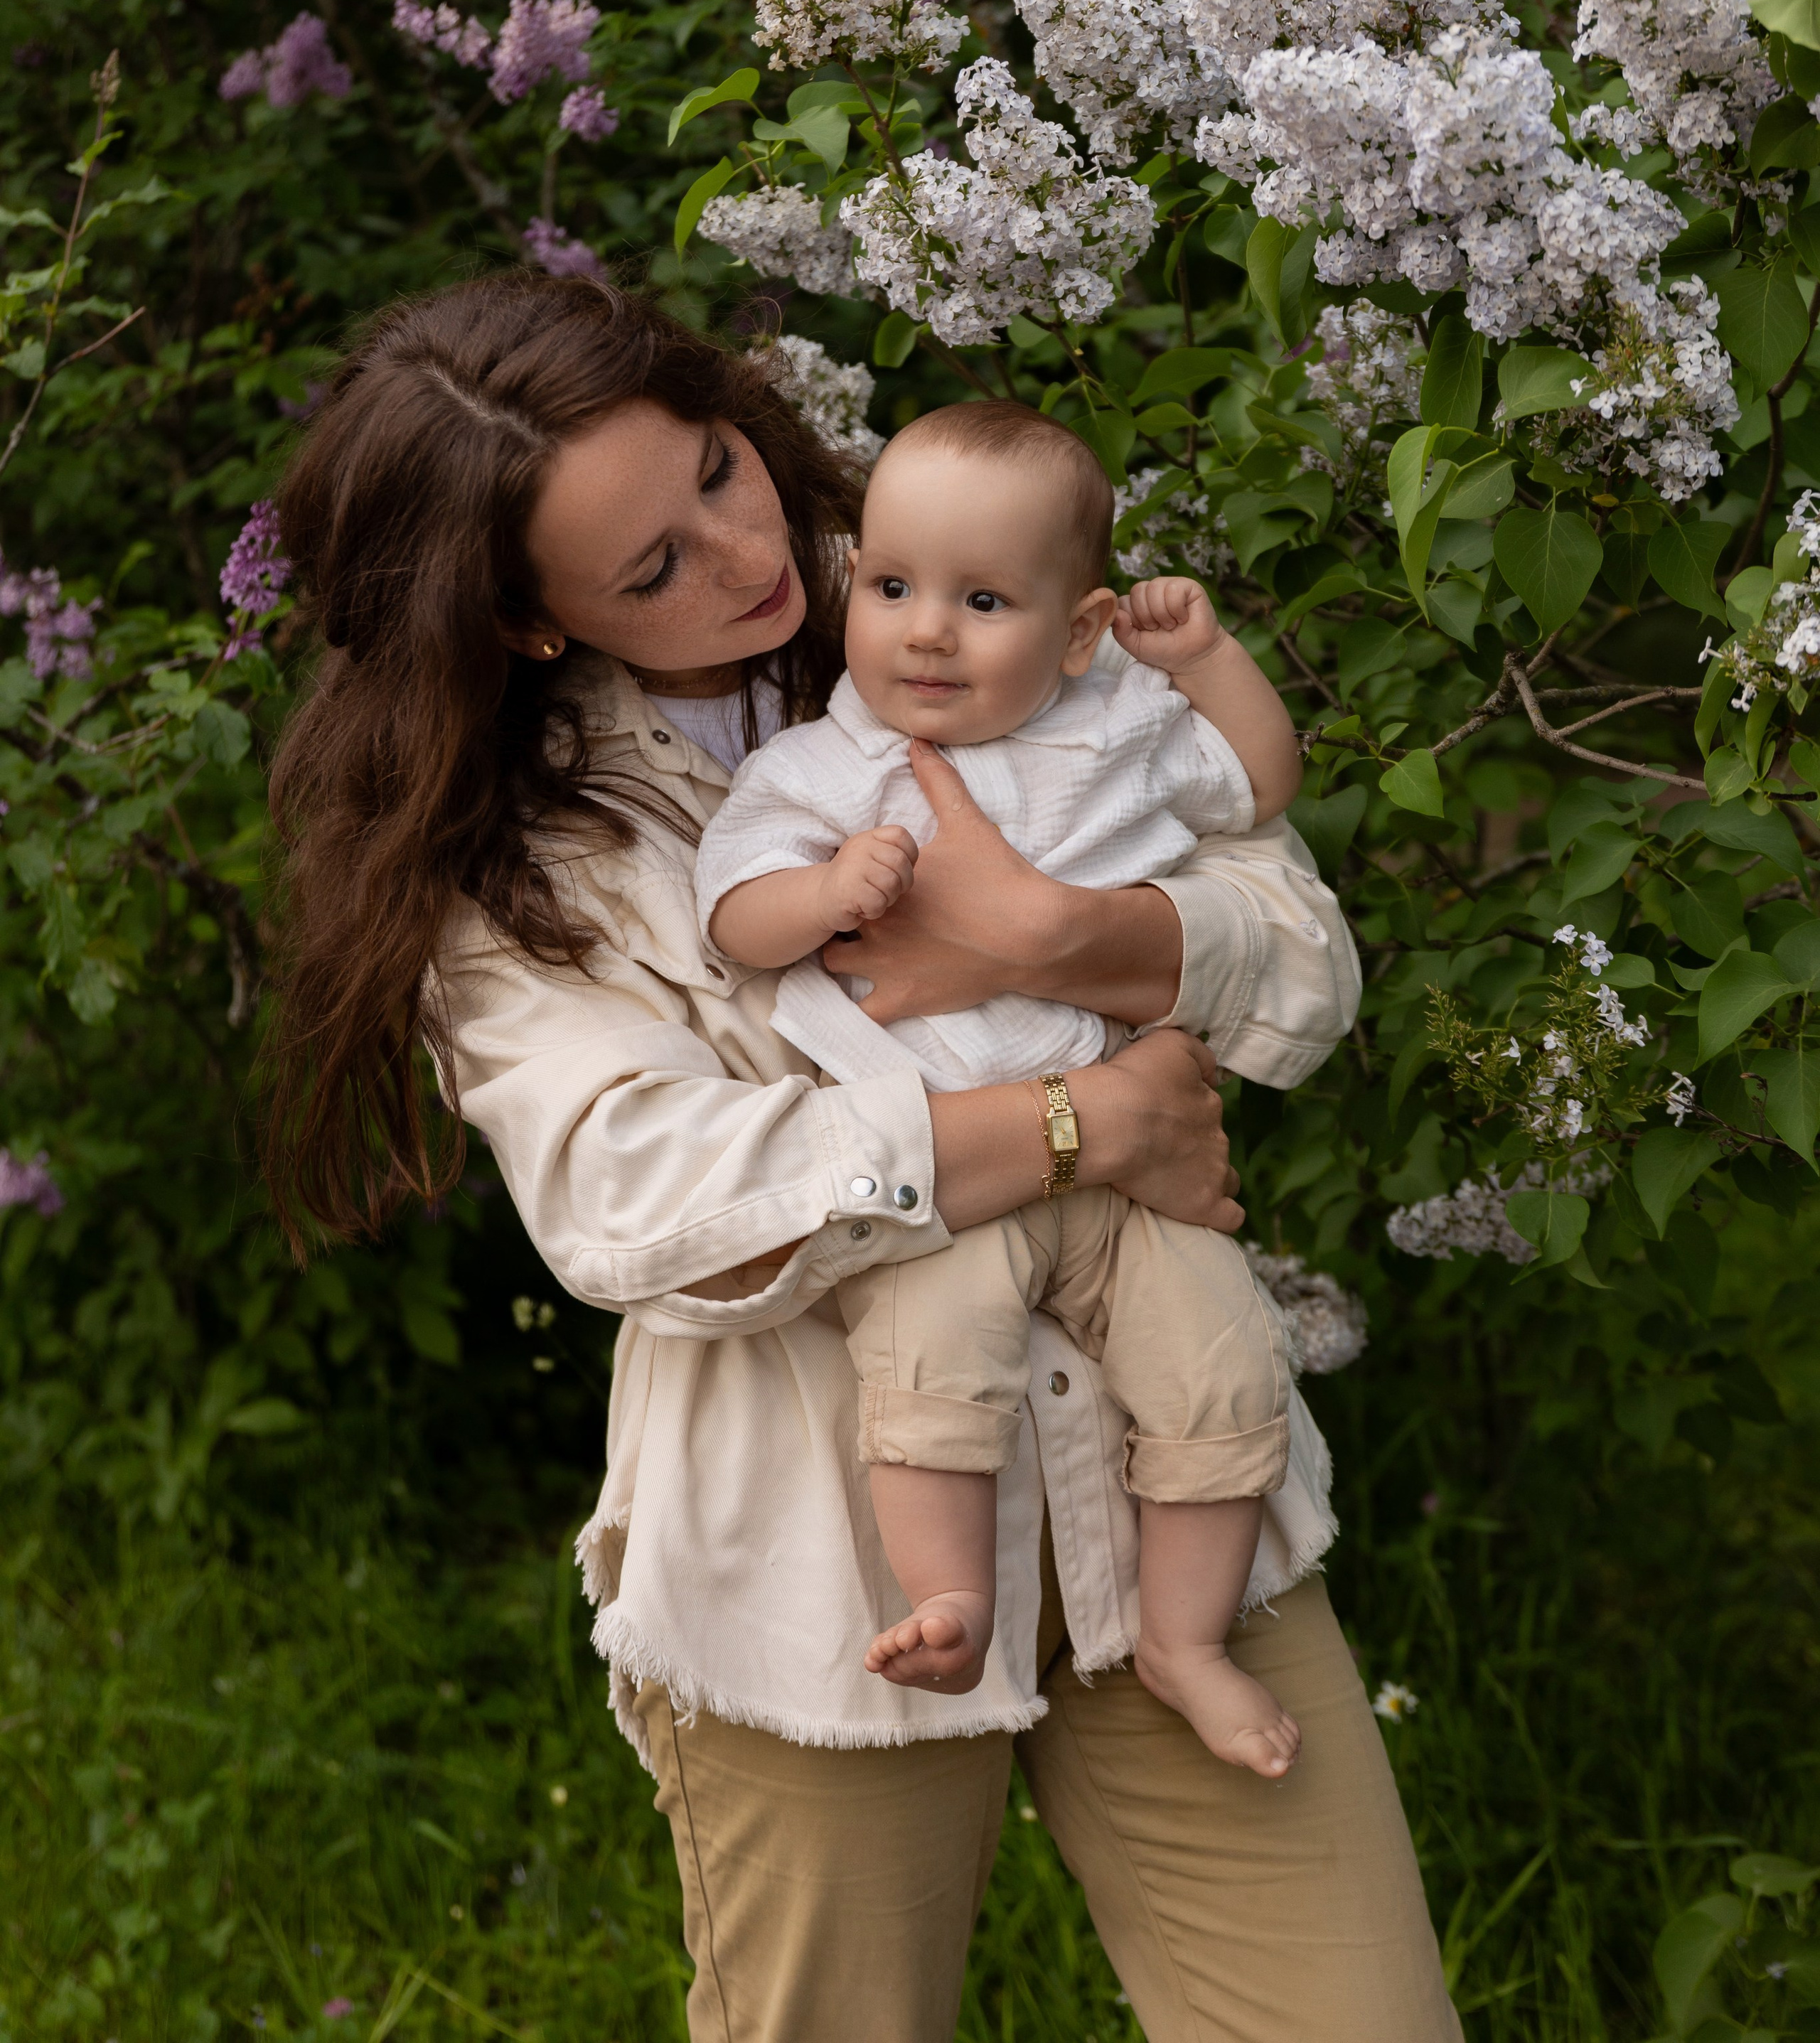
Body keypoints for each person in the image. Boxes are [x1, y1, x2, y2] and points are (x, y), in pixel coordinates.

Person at [262, 272, 1462, 2043]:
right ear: (526, 624)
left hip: (1164, 1500)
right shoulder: (514, 865)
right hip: (824, 1588)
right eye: (647, 568)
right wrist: (1078, 1121)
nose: (744, 556)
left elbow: (1298, 949)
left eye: (720, 475)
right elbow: (646, 1204)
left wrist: (1046, 934)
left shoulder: (968, 585)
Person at [697, 400, 1306, 1777]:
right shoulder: (822, 764)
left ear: (1078, 630)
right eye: (896, 587)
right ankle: (949, 1597)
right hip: (947, 1165)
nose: (925, 632)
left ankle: (1184, 1638)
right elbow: (732, 914)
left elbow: (1259, 787)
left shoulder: (1122, 724)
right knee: (926, 1372)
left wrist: (1205, 660)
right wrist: (820, 892)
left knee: (1222, 1367)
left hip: (1127, 1158)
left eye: (982, 600)